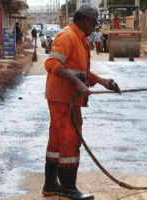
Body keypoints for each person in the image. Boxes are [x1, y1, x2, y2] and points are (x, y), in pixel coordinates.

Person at [42, 3, 118, 200]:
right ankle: (68, 191)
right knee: (70, 140)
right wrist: (77, 84)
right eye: (94, 24)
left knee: (57, 140)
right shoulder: (68, 36)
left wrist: (102, 81)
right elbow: (51, 63)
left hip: (63, 98)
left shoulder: (78, 37)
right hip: (64, 98)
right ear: (86, 21)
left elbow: (80, 71)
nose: (95, 28)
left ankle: (51, 185)